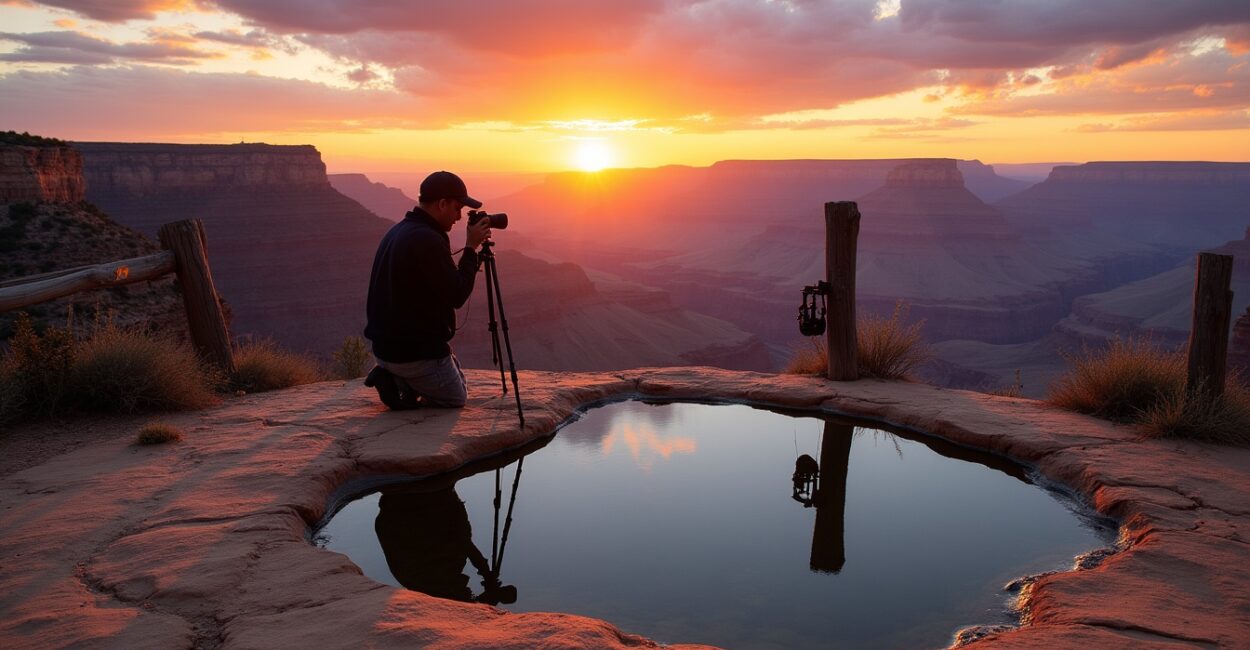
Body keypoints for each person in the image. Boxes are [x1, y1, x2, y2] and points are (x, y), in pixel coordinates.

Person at [363, 171, 491, 409]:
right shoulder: (427, 239)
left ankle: (393, 375)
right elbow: (457, 294)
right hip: (411, 354)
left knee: (453, 370)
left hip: (385, 350)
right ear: (442, 204)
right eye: (457, 208)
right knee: (456, 396)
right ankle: (398, 385)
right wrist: (471, 248)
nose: (459, 217)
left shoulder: (400, 229)